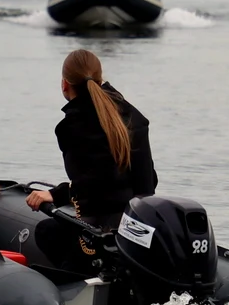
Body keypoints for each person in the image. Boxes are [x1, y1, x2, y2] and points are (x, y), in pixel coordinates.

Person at [25, 50, 157, 273]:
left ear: (64, 84)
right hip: (137, 226)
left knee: (47, 232)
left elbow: (95, 185)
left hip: (102, 231)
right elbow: (147, 182)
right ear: (100, 78)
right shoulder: (134, 116)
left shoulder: (71, 127)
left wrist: (57, 194)